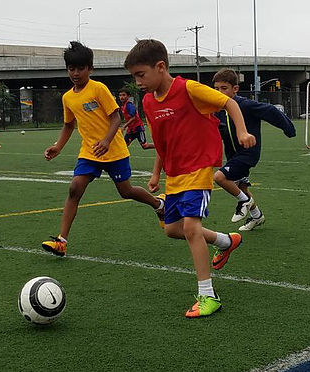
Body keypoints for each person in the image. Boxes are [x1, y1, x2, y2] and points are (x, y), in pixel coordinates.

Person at [124, 39, 256, 318]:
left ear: (161, 67)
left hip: (198, 169)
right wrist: (157, 172)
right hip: (174, 175)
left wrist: (242, 132)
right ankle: (225, 241)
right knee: (173, 229)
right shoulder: (148, 102)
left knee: (192, 228)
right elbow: (162, 142)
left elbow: (229, 104)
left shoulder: (189, 89)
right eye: (134, 76)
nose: (137, 82)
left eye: (140, 74)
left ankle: (208, 295)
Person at [42, 41, 165, 256]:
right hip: (89, 152)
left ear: (90, 68)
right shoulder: (67, 97)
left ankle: (159, 205)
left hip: (114, 150)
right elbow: (69, 125)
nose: (76, 73)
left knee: (125, 191)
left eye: (81, 68)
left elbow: (115, 117)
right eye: (72, 69)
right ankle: (61, 241)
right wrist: (58, 147)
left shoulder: (98, 89)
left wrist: (107, 141)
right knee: (74, 189)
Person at [212, 68, 296, 231]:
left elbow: (271, 110)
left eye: (224, 88)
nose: (219, 92)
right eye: (216, 89)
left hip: (248, 154)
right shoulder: (218, 109)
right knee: (242, 188)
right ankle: (257, 216)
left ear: (235, 89)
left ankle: (244, 202)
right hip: (232, 156)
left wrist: (289, 129)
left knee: (220, 177)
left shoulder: (245, 105)